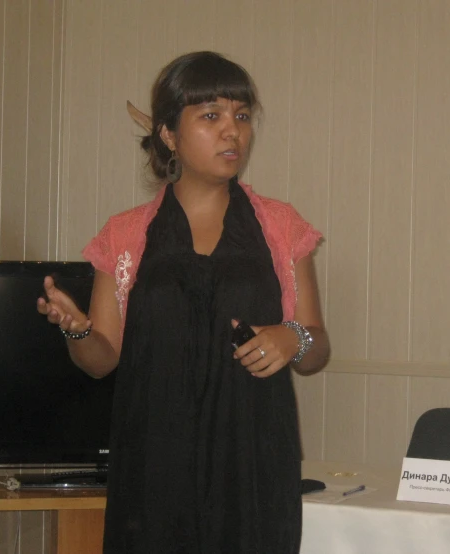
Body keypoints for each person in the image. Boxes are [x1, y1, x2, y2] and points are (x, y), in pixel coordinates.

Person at [36, 51, 330, 553]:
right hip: (154, 468)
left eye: (241, 116)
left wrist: (293, 337)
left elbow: (317, 349)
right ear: (169, 134)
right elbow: (102, 360)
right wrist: (77, 329)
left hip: (254, 465)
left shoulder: (280, 227)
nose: (232, 131)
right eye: (211, 116)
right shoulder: (125, 234)